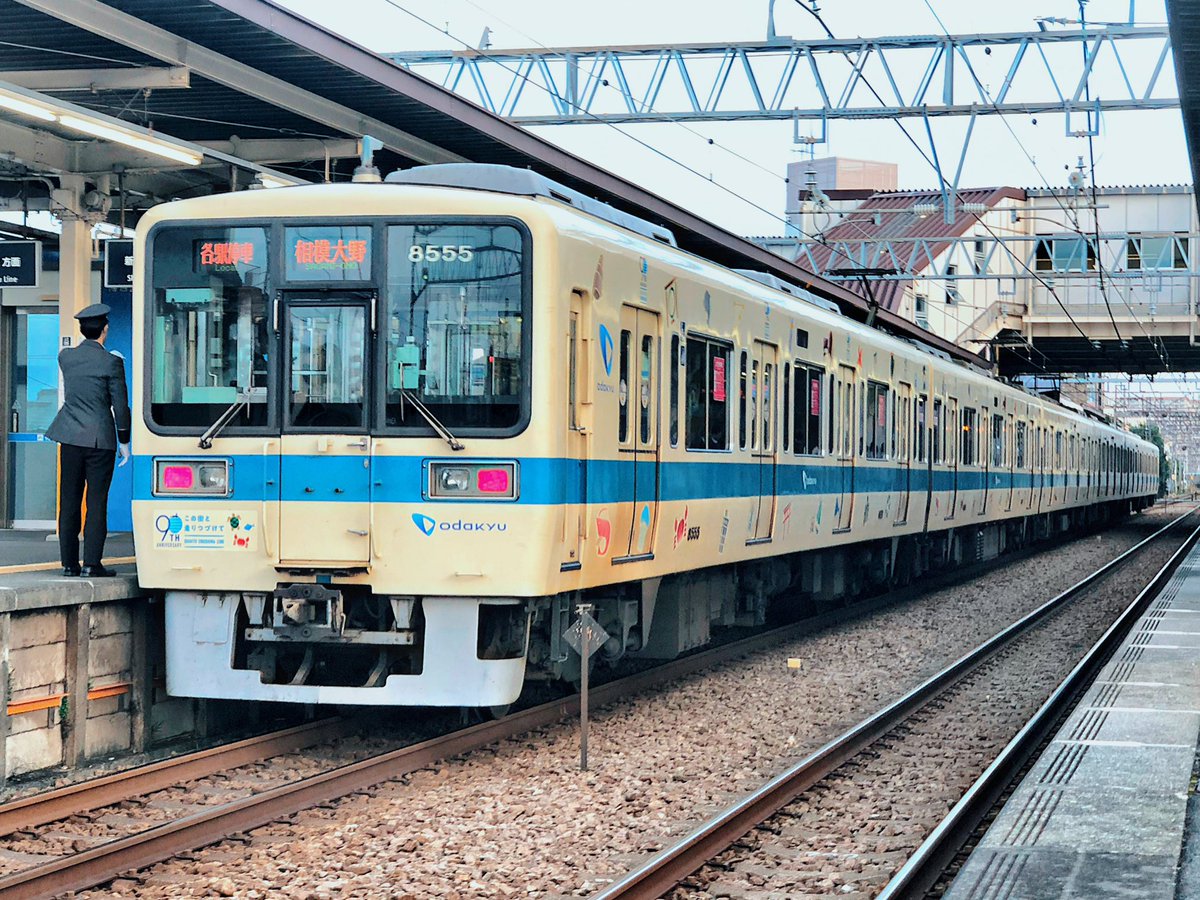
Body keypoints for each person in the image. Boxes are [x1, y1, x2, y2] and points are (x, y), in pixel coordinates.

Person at [45, 304, 131, 578]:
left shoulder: (66, 357)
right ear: (105, 329)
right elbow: (120, 405)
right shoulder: (112, 363)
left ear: (82, 330)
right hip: (100, 440)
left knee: (69, 501)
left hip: (68, 436)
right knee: (96, 502)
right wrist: (125, 441)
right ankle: (92, 564)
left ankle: (69, 564)